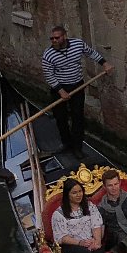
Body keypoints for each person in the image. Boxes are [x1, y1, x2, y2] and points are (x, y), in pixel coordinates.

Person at [41, 25, 112, 159]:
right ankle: (66, 143)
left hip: (77, 86)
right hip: (59, 88)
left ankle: (77, 147)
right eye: (52, 38)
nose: (54, 41)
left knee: (77, 117)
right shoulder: (48, 55)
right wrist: (61, 91)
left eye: (57, 38)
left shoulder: (78, 44)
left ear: (64, 36)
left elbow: (91, 53)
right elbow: (49, 75)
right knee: (60, 117)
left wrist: (105, 63)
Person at [51, 178, 106, 253]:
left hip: (90, 240)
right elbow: (62, 237)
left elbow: (96, 225)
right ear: (67, 195)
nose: (78, 195)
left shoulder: (90, 206)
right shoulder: (58, 214)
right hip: (71, 245)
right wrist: (80, 243)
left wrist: (96, 241)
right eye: (74, 193)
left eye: (80, 191)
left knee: (98, 252)